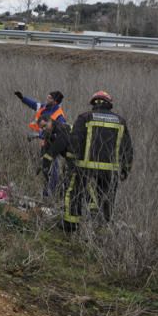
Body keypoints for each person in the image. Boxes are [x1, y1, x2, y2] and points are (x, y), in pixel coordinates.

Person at [62, 90, 134, 230]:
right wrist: (125, 168)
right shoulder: (120, 121)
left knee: (75, 193)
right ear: (109, 104)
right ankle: (102, 227)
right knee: (106, 198)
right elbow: (127, 148)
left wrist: (70, 162)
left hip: (84, 167)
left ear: (94, 103)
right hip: (110, 170)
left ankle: (71, 226)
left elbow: (75, 141)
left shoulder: (85, 117)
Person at [37, 114, 71, 198]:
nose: (44, 129)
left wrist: (48, 157)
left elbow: (59, 145)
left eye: (45, 126)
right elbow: (45, 149)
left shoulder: (61, 127)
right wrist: (42, 163)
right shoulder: (48, 132)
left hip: (77, 155)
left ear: (50, 121)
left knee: (70, 181)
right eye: (42, 128)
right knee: (64, 178)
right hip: (67, 156)